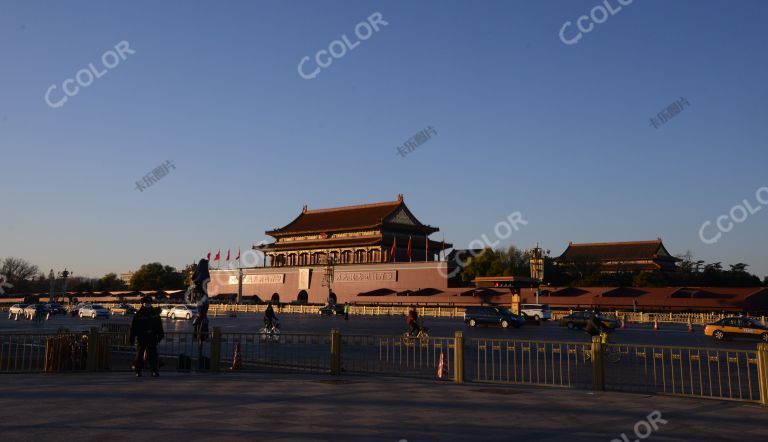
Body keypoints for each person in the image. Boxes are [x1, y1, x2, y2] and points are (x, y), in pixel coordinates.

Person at [129, 295, 165, 377]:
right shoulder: (139, 314)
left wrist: (160, 335)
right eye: (146, 303)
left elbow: (159, 325)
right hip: (142, 337)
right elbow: (134, 327)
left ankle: (154, 371)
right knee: (140, 355)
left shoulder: (155, 314)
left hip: (152, 336)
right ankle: (138, 371)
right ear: (142, 303)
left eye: (149, 303)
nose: (147, 304)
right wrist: (132, 337)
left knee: (153, 355)